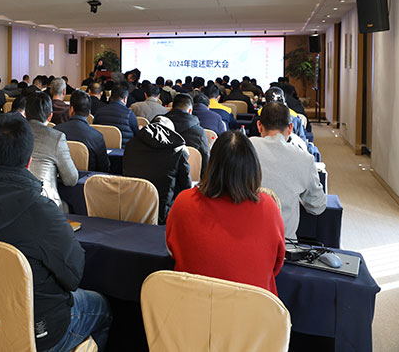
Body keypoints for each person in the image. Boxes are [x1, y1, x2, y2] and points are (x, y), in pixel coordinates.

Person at [0, 114, 111, 350]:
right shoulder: (42, 210)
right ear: (28, 162)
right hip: (40, 332)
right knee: (103, 308)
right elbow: (74, 276)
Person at [166, 131, 285, 295]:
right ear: (253, 168)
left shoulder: (183, 202)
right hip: (252, 308)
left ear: (212, 166)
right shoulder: (269, 209)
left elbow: (173, 250)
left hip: (192, 305)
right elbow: (276, 265)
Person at [250, 103, 326, 239]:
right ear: (290, 128)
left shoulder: (243, 149)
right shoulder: (304, 158)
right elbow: (317, 206)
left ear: (259, 125)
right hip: (284, 244)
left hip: (243, 239)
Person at [123, 116, 192, 224]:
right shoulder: (179, 150)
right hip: (162, 215)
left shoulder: (131, 144)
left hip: (131, 210)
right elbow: (186, 186)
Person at [26, 93, 78, 207]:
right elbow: (71, 179)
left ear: (25, 114)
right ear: (50, 116)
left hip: (17, 201)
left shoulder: (14, 134)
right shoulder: (57, 137)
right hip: (46, 204)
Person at [54, 91, 110, 173]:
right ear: (89, 113)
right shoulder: (97, 136)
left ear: (71, 109)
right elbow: (104, 168)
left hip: (59, 178)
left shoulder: (55, 131)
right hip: (88, 179)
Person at [164, 93, 210, 178]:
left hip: (160, 177)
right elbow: (205, 159)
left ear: (171, 109)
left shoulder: (158, 126)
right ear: (190, 111)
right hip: (190, 177)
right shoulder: (199, 133)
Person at [93, 84, 140, 148]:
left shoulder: (99, 112)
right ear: (125, 99)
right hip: (123, 151)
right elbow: (137, 136)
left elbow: (94, 131)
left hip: (102, 150)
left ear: (111, 96)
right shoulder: (129, 114)